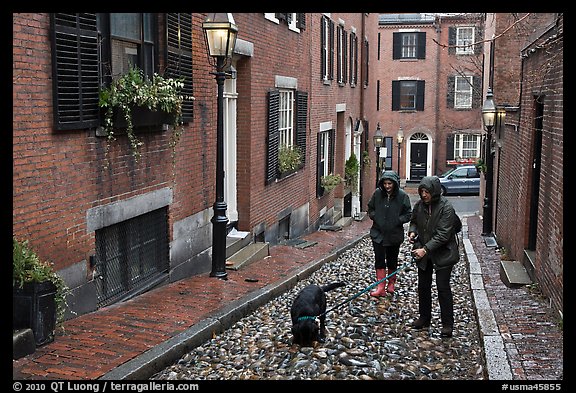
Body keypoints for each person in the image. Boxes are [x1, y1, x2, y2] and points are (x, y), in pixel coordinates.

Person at [408, 175, 460, 338]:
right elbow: (414, 221)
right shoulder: (419, 205)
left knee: (442, 288)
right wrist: (412, 232)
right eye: (422, 191)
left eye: (427, 192)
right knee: (423, 286)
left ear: (435, 192)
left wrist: (425, 249)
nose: (424, 195)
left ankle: (447, 324)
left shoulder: (446, 208)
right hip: (424, 253)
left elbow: (443, 235)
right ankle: (424, 317)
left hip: (443, 253)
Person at [367, 170, 412, 297]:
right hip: (378, 233)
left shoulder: (402, 196)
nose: (387, 186)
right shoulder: (377, 194)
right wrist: (375, 217)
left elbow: (408, 213)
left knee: (392, 260)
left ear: (394, 184)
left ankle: (391, 283)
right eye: (385, 183)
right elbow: (370, 208)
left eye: (390, 184)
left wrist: (397, 221)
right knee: (379, 259)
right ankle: (380, 286)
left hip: (394, 234)